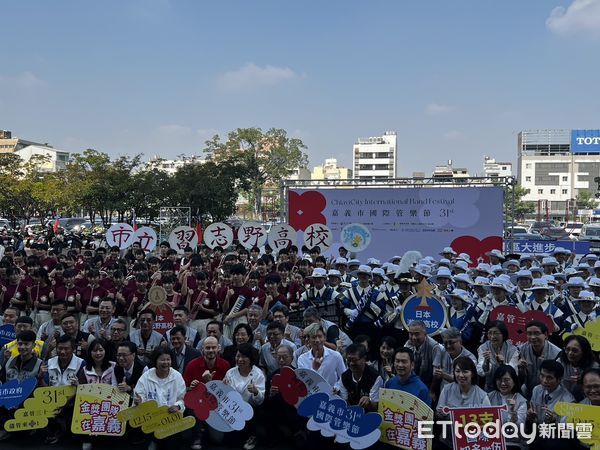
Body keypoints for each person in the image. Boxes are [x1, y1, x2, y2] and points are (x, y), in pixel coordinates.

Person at [134, 347, 187, 450]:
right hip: (151, 419)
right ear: (155, 361)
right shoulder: (146, 376)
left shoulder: (177, 376)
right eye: (162, 359)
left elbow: (182, 398)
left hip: (171, 419)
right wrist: (140, 401)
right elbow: (139, 394)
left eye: (168, 359)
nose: (166, 362)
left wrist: (177, 406)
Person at [436, 356, 490, 448]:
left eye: (465, 371)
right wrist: (440, 414)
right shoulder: (447, 389)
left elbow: (488, 424)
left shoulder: (482, 396)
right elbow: (438, 416)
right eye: (457, 371)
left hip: (471, 443)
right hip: (447, 441)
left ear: (472, 374)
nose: (461, 375)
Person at [223, 343, 266, 450]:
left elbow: (260, 401)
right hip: (233, 409)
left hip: (251, 410)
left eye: (244, 356)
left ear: (251, 358)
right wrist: (224, 387)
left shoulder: (258, 374)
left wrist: (256, 392)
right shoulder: (230, 372)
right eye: (238, 356)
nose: (240, 359)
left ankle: (253, 436)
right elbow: (225, 397)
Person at [526, 360, 575, 450]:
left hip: (557, 439)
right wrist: (531, 417)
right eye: (542, 375)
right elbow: (534, 420)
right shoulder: (537, 389)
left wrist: (554, 422)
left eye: (549, 377)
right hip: (540, 431)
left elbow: (567, 432)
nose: (544, 381)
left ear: (559, 379)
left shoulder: (568, 400)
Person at [44, 334, 84, 445]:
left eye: (66, 348)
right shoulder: (49, 363)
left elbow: (82, 390)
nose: (62, 352)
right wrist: (40, 377)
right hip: (51, 401)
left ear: (73, 349)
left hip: (72, 403)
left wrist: (64, 404)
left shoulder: (81, 364)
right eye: (60, 348)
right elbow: (45, 387)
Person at [487, 365, 527, 449]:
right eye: (499, 380)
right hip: (492, 441)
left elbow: (520, 428)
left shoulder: (521, 401)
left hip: (513, 443)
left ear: (514, 381)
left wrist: (513, 412)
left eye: (506, 380)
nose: (502, 383)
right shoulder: (488, 397)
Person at [518, 320, 562, 398]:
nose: (533, 337)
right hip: (529, 388)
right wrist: (521, 369)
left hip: (549, 391)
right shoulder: (522, 349)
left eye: (536, 333)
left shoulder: (556, 353)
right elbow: (521, 377)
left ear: (545, 335)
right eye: (529, 334)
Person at [297, 323, 346, 387]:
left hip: (333, 395)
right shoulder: (302, 359)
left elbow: (343, 377)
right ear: (308, 339)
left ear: (325, 338)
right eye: (314, 337)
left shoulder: (336, 356)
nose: (317, 340)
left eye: (320, 336)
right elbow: (304, 382)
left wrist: (337, 387)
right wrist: (314, 369)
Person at [334, 343, 379, 411]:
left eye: (354, 360)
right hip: (350, 414)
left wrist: (369, 402)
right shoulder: (344, 377)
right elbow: (344, 401)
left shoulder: (375, 377)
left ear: (364, 359)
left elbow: (376, 405)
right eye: (349, 360)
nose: (351, 363)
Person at [477, 320, 519, 391]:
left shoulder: (513, 350)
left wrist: (503, 364)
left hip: (508, 389)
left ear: (503, 334)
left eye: (496, 333)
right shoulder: (483, 348)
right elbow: (480, 372)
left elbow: (514, 372)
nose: (492, 336)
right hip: (490, 387)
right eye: (490, 333)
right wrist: (486, 363)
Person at [557, 335, 598, 402]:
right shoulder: (560, 363)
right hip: (564, 400)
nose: (570, 353)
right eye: (567, 349)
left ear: (584, 351)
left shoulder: (594, 368)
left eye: (575, 350)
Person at [403, 320, 442, 387]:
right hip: (412, 382)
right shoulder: (408, 343)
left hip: (429, 384)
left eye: (417, 334)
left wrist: (432, 391)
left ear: (425, 333)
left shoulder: (434, 347)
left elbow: (437, 374)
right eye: (411, 334)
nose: (414, 338)